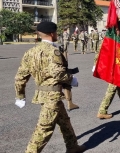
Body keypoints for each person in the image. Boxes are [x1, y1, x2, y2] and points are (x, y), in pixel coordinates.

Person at [14, 21, 85, 153]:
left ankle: (72, 146)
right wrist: (72, 80)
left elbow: (20, 77)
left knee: (64, 122)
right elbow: (57, 73)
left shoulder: (30, 52)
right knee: (44, 129)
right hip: (51, 96)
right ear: (52, 33)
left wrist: (20, 95)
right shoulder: (54, 52)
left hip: (45, 94)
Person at [93, 40, 120, 119]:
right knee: (112, 87)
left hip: (114, 66)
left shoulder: (111, 37)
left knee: (117, 85)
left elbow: (98, 52)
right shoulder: (111, 38)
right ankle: (102, 111)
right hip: (113, 67)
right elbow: (100, 51)